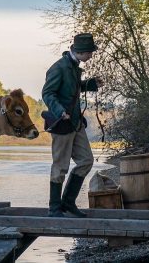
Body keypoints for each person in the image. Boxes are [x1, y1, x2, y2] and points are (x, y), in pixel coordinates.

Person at [41, 33, 102, 218]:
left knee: (86, 161)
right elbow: (47, 93)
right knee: (60, 166)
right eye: (90, 52)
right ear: (81, 52)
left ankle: (67, 203)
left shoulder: (74, 66)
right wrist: (60, 111)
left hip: (75, 123)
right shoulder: (58, 68)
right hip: (62, 123)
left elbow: (72, 88)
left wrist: (89, 84)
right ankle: (54, 208)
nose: (91, 55)